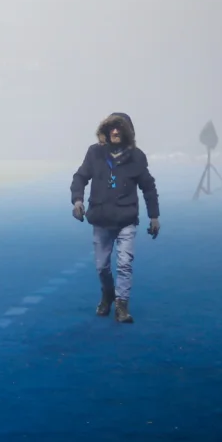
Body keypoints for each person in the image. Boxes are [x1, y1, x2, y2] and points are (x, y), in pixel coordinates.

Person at [70, 112, 160, 323]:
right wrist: (77, 200)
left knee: (124, 264)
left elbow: (149, 188)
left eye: (120, 128)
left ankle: (122, 306)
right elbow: (80, 177)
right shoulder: (95, 153)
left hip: (126, 219)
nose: (116, 131)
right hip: (101, 219)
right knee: (102, 267)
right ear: (105, 130)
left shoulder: (137, 156)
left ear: (128, 132)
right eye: (112, 127)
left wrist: (154, 216)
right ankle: (108, 294)